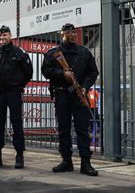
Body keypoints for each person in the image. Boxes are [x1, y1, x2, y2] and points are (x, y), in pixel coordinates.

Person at [41, 23, 99, 176]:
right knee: (64, 129)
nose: (72, 34)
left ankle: (85, 163)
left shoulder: (84, 52)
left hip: (79, 95)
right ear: (62, 34)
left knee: (82, 129)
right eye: (68, 32)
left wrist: (85, 86)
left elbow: (93, 72)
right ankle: (66, 161)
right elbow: (45, 71)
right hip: (61, 94)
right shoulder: (53, 53)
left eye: (74, 32)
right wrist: (62, 74)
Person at [0, 25, 33, 169]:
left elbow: (28, 73)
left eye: (5, 35)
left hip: (14, 93)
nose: (2, 37)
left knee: (16, 125)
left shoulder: (19, 53)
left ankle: (19, 156)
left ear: (10, 36)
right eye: (0, 35)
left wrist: (19, 85)